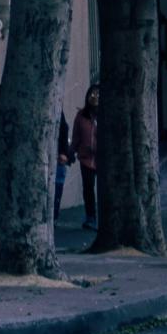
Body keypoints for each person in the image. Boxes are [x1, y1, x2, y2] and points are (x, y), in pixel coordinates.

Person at [67, 84, 102, 229]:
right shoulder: (81, 116)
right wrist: (70, 153)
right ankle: (91, 217)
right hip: (86, 158)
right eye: (91, 94)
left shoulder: (104, 115)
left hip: (102, 159)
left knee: (103, 189)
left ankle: (104, 217)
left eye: (97, 95)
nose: (94, 97)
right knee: (88, 188)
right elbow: (76, 137)